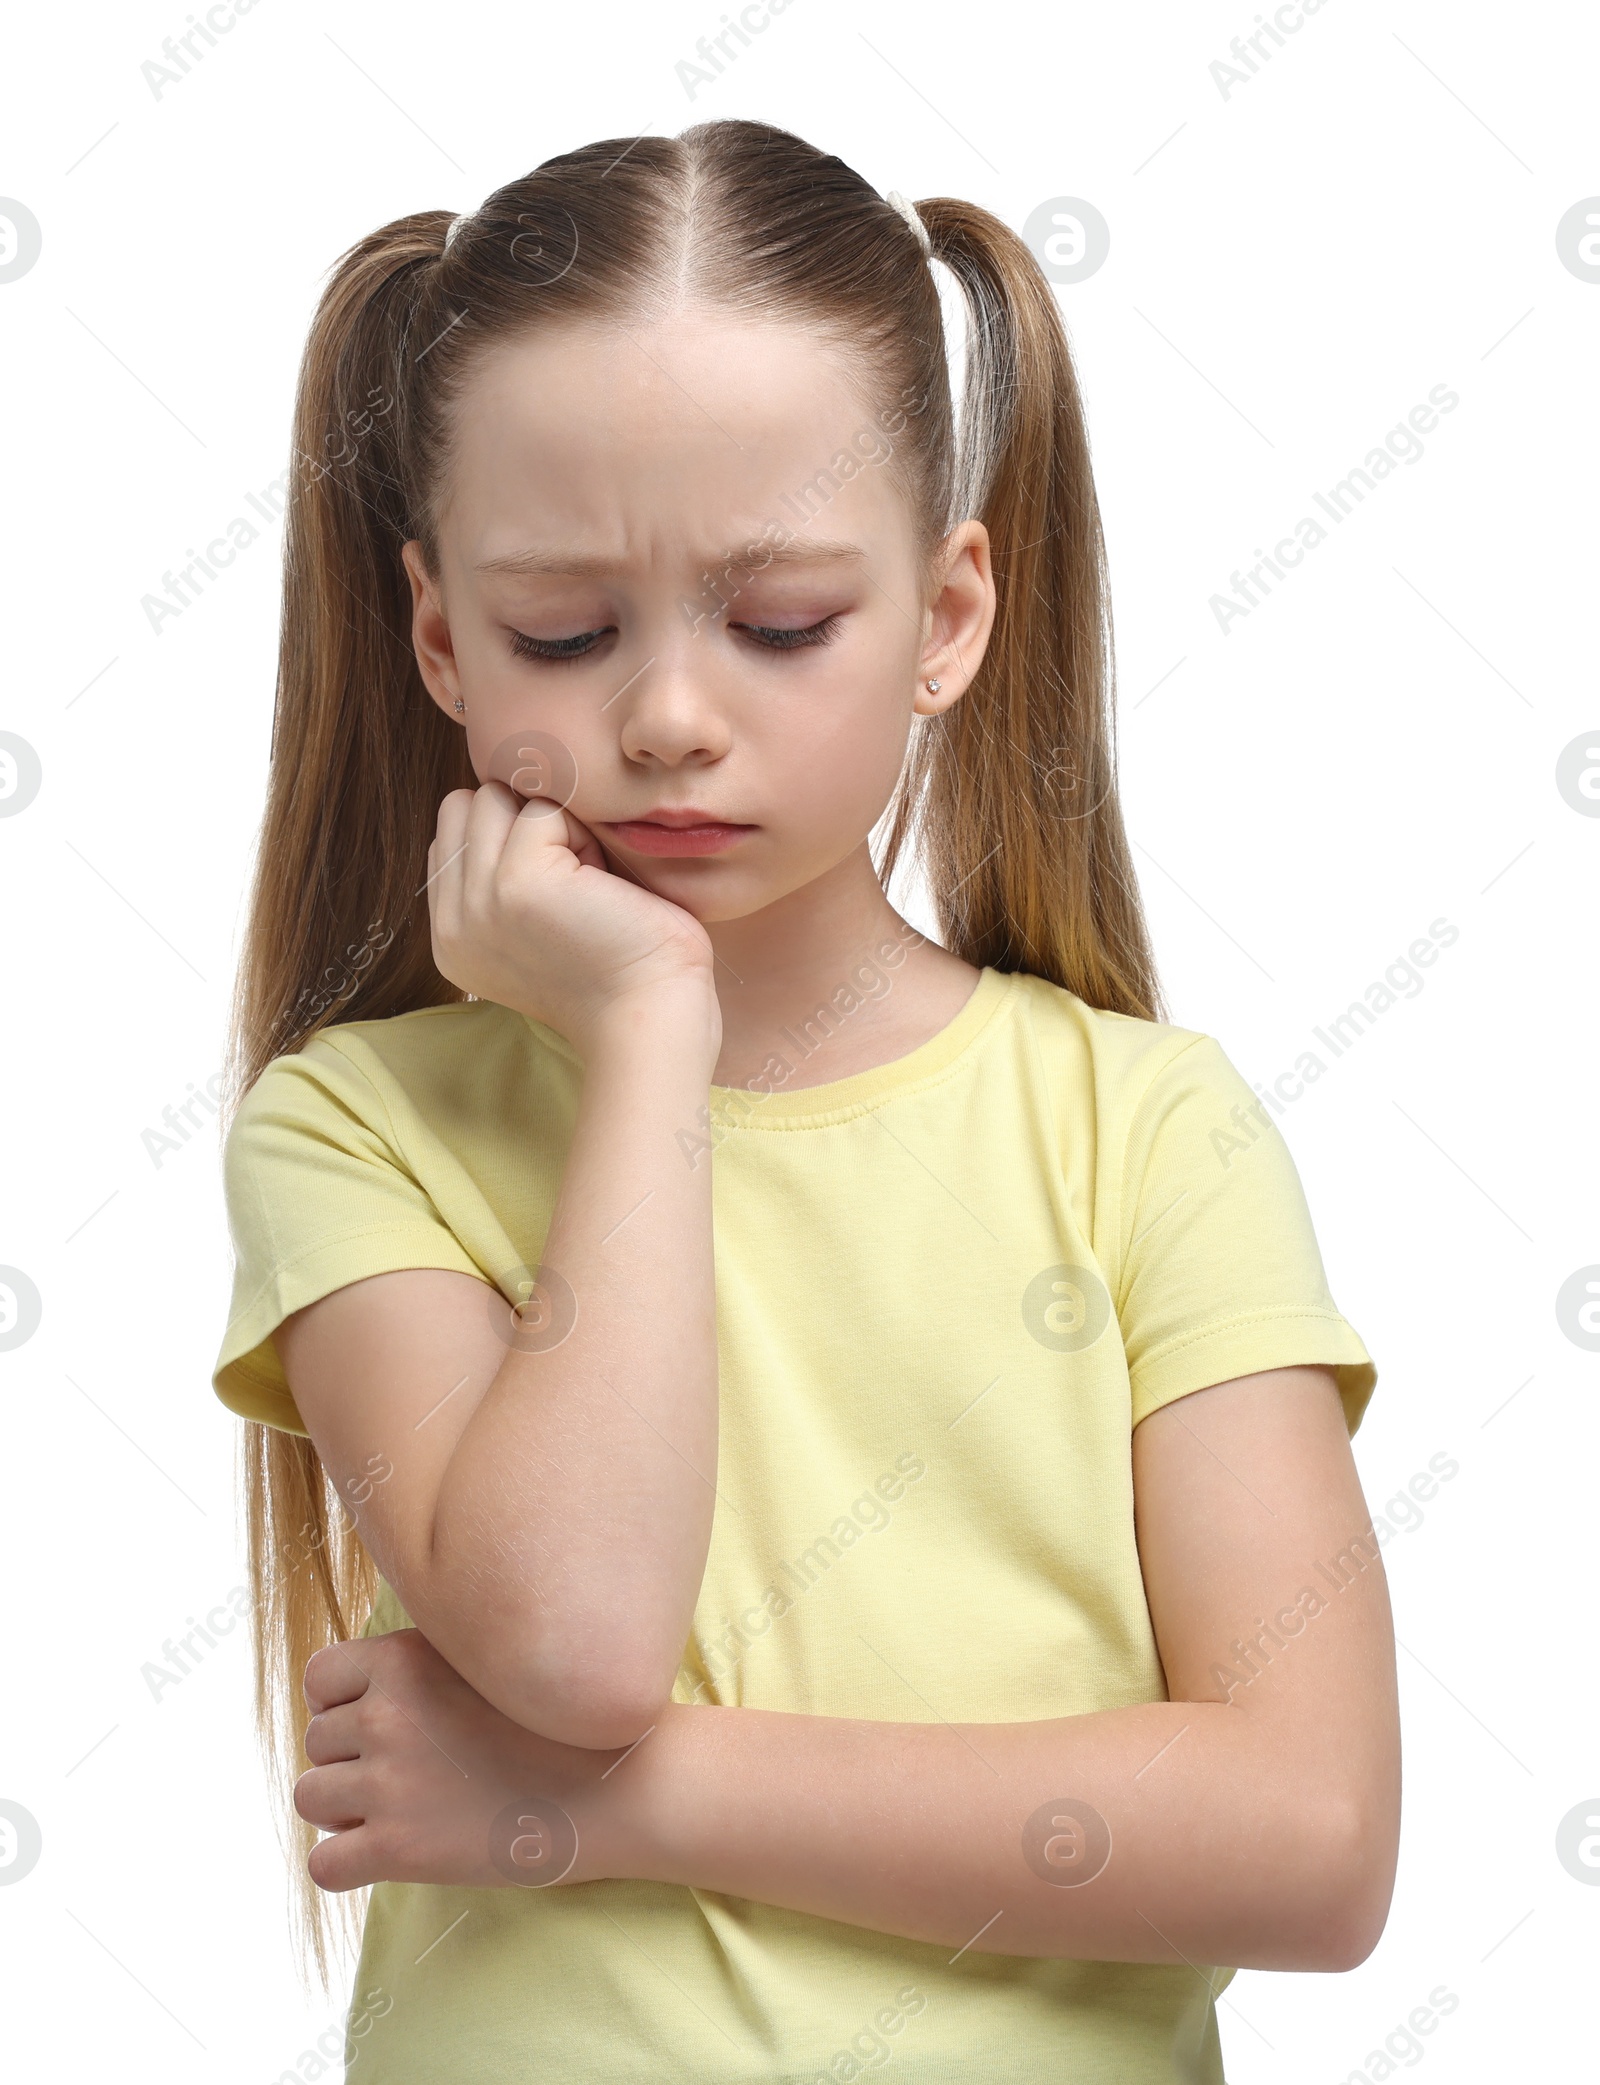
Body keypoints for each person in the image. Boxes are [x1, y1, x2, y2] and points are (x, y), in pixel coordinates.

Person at [210, 115, 1399, 2084]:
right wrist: (650, 1028)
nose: (670, 711)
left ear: (944, 616)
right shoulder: (355, 1131)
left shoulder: (1140, 1131)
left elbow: (1309, 1834)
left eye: (776, 625)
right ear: (437, 634)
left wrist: (611, 1805)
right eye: (562, 632)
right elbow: (573, 1636)